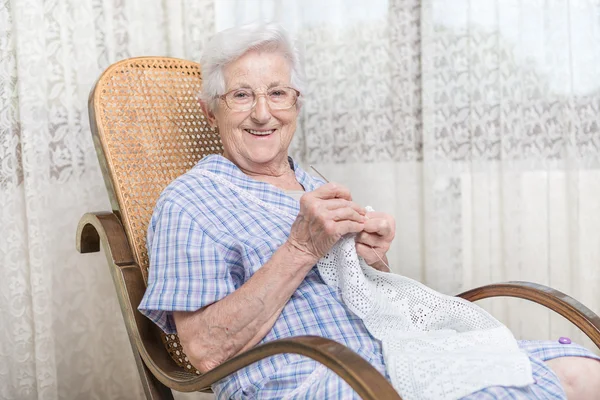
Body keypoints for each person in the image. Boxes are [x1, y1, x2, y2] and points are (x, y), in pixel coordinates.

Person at [138, 22, 600, 399]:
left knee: (584, 371)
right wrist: (300, 248)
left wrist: (372, 260)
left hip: (395, 352)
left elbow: (359, 295)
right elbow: (204, 351)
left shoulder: (314, 183)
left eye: (278, 93)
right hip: (313, 378)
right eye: (241, 95)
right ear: (209, 111)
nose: (263, 113)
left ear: (295, 103)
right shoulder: (190, 202)